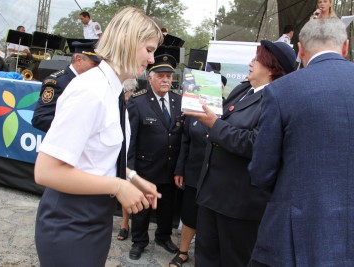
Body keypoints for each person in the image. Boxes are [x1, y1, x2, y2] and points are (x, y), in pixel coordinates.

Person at [34, 6, 163, 267]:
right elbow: (46, 172)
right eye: (148, 50)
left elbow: (95, 157)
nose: (151, 60)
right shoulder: (90, 90)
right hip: (70, 220)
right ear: (127, 40)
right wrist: (117, 186)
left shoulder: (113, 91)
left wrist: (132, 177)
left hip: (94, 217)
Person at [248, 18, 353, 267]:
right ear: (346, 47)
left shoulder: (282, 90)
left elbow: (261, 172)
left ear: (301, 50)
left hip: (294, 236)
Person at [183, 40, 296, 266]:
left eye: (257, 59)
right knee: (205, 257)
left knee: (233, 260)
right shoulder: (243, 89)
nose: (250, 63)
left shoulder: (278, 99)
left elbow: (257, 143)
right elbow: (222, 119)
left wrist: (215, 125)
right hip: (211, 193)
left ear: (272, 67)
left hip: (239, 203)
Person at [127, 54, 183, 260]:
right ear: (150, 78)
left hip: (170, 168)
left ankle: (163, 236)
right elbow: (131, 139)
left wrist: (180, 168)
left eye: (169, 75)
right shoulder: (138, 102)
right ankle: (139, 241)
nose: (166, 80)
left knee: (167, 207)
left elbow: (182, 136)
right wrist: (130, 171)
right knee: (141, 208)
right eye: (160, 75)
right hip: (145, 168)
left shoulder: (179, 101)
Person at [32, 42, 100, 132]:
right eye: (94, 64)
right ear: (79, 60)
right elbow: (40, 119)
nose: (97, 68)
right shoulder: (57, 82)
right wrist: (76, 128)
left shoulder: (92, 82)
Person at [117, 77, 138, 241]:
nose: (126, 96)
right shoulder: (111, 102)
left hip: (128, 152)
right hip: (111, 150)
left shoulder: (135, 106)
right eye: (125, 92)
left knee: (125, 187)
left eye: (128, 92)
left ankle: (125, 224)